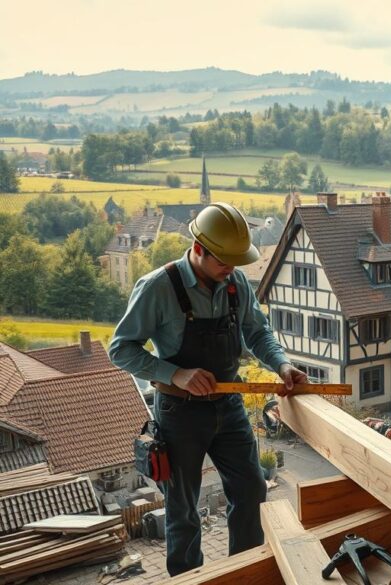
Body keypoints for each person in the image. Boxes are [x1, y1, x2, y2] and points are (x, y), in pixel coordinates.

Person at [109, 202, 307, 576]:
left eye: (236, 261)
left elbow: (258, 332)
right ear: (199, 249)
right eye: (224, 261)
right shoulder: (157, 287)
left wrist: (281, 364)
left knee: (251, 490)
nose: (231, 269)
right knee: (182, 510)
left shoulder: (235, 285)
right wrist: (173, 373)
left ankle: (244, 573)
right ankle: (190, 578)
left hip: (228, 408)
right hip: (179, 413)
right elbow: (121, 349)